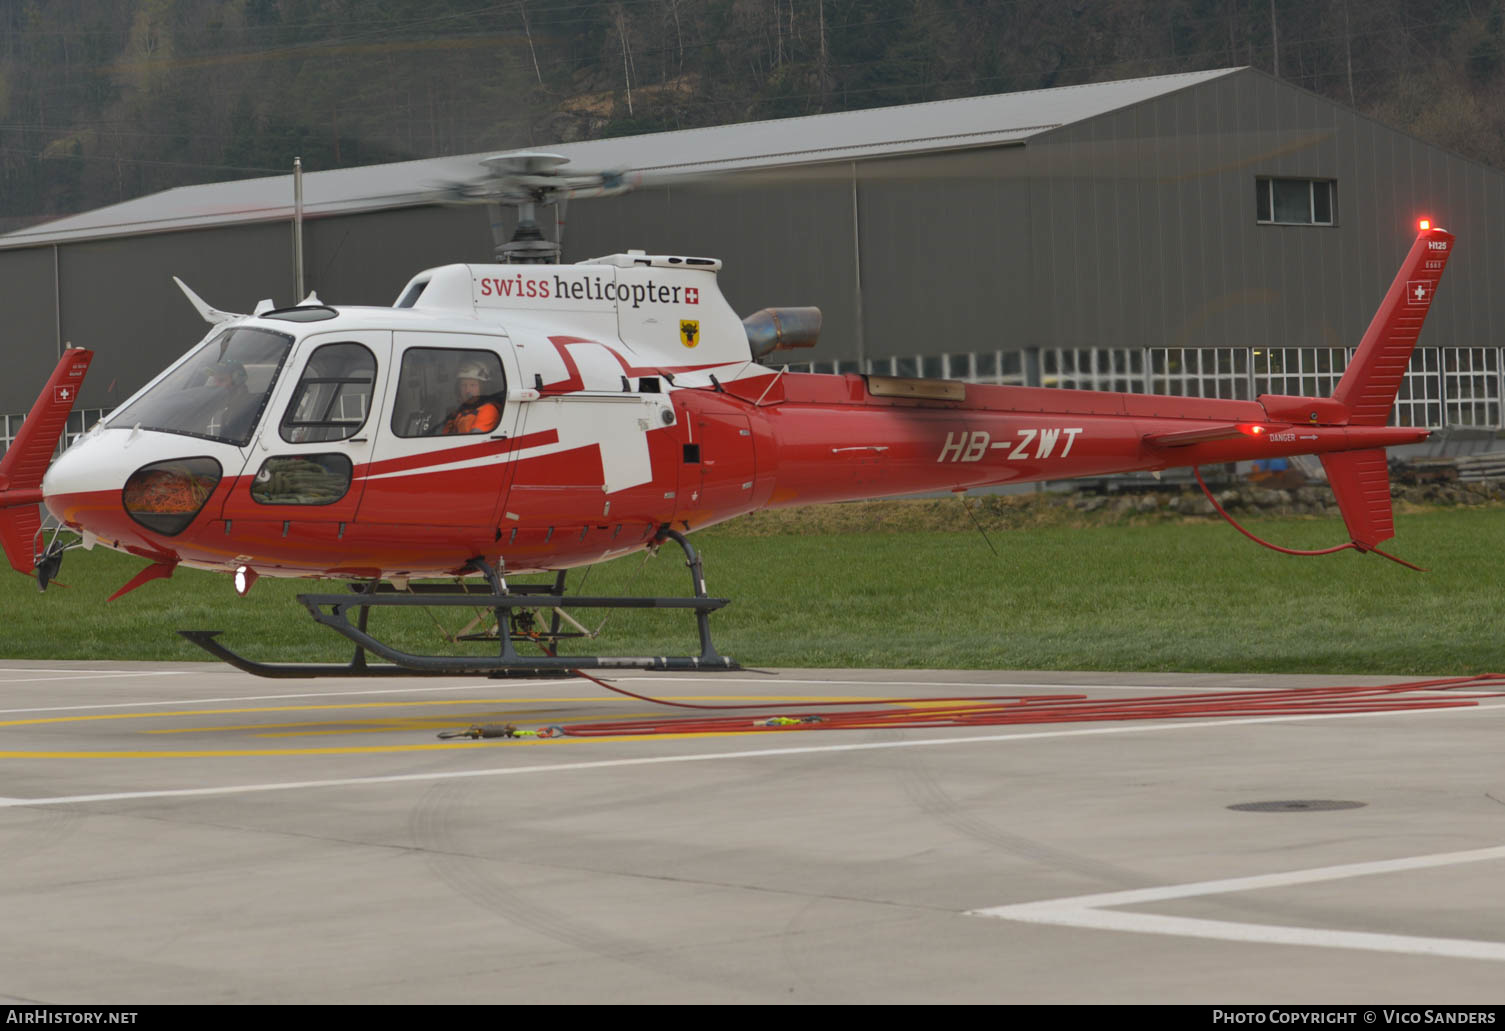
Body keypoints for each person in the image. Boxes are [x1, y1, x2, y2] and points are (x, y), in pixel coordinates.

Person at [442, 360, 502, 434]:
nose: (467, 390)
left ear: (483, 388)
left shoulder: (488, 409)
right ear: (458, 388)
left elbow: (476, 440)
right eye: (463, 385)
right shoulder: (458, 412)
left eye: (473, 385)